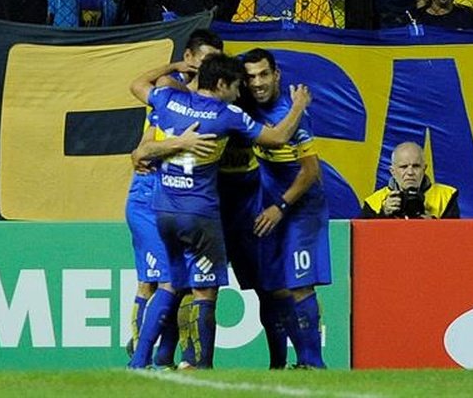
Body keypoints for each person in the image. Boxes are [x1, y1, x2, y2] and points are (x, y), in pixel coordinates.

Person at [127, 53, 311, 370]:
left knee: (170, 283)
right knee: (205, 288)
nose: (240, 92)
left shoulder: (168, 99)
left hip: (163, 209)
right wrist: (298, 107)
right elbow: (278, 137)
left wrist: (172, 68)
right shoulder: (226, 114)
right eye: (237, 85)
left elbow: (137, 84)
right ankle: (201, 365)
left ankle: (140, 361)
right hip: (199, 212)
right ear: (222, 83)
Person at [124, 29, 222, 366]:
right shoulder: (170, 90)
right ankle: (141, 352)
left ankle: (163, 357)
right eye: (204, 59)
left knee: (173, 282)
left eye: (215, 61)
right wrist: (144, 153)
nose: (209, 66)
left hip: (180, 201)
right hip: (148, 195)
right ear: (191, 58)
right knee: (158, 281)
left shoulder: (213, 103)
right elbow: (146, 144)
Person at [243, 48, 330, 370]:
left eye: (263, 74)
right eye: (250, 77)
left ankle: (313, 364)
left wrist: (280, 206)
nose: (257, 83)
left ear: (276, 74)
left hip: (300, 207)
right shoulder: (245, 108)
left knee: (299, 284)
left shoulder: (293, 111)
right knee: (269, 288)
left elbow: (311, 171)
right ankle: (277, 365)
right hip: (267, 209)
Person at [360, 141, 460, 219]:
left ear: (424, 169)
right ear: (393, 171)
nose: (410, 172)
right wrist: (383, 214)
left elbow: (456, 239)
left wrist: (433, 224)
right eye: (403, 167)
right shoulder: (375, 202)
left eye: (416, 166)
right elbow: (363, 241)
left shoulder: (446, 196)